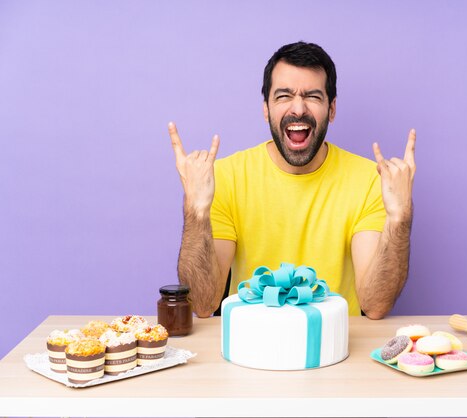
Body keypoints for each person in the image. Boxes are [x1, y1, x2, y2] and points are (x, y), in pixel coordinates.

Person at [168, 41, 415, 319]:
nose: (298, 109)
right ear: (266, 109)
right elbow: (203, 304)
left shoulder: (369, 180)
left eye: (313, 96)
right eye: (284, 96)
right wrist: (196, 211)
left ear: (331, 109)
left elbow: (375, 305)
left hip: (336, 348)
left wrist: (400, 218)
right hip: (252, 348)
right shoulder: (226, 176)